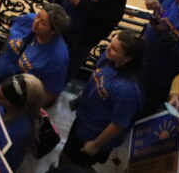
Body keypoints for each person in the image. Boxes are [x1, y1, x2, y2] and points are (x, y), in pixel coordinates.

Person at [59, 30, 144, 168]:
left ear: (128, 58)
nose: (108, 48)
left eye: (115, 49)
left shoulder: (127, 90)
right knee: (67, 154)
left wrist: (95, 145)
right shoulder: (108, 58)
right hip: (83, 121)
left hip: (93, 134)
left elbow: (119, 124)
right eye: (111, 44)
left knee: (75, 164)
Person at [0, 4, 70, 106]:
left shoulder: (57, 58)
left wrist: (22, 106)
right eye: (38, 16)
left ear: (53, 30)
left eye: (43, 23)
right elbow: (11, 31)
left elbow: (50, 94)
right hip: (2, 82)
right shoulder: (28, 19)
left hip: (17, 100)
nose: (36, 22)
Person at [0, 73, 46, 172]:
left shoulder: (13, 134)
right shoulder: (22, 109)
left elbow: (1, 164)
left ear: (14, 105)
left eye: (2, 97)